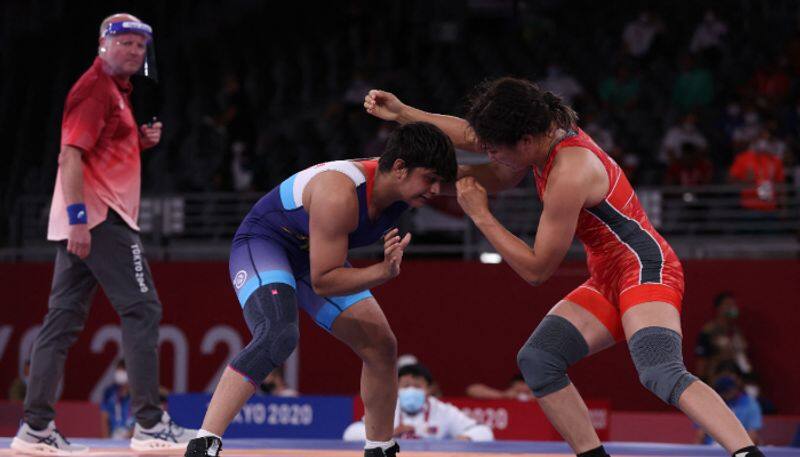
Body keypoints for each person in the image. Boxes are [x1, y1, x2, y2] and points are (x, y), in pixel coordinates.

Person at [364, 77, 766, 457]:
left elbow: (537, 270)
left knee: (659, 369)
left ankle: (747, 452)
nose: (489, 155)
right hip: (609, 274)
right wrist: (403, 113)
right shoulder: (540, 130)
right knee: (539, 360)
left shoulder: (569, 172)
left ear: (525, 141)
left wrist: (482, 216)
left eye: (495, 149)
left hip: (644, 268)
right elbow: (473, 135)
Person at [183, 122, 457, 457]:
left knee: (382, 345)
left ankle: (380, 448)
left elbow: (486, 178)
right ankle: (204, 442)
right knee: (278, 333)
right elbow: (324, 281)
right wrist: (382, 272)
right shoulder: (338, 193)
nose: (435, 190)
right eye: (430, 179)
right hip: (266, 244)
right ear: (400, 168)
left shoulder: (409, 181)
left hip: (313, 254)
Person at [10, 13, 196, 456]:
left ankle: (35, 429)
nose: (133, 51)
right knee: (143, 309)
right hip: (99, 219)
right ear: (102, 45)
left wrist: (139, 143)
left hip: (89, 219)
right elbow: (70, 157)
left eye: (139, 46)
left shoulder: (117, 93)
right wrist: (78, 218)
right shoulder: (94, 90)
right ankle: (151, 424)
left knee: (61, 323)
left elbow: (100, 152)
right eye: (124, 43)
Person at [343, 364, 494, 441]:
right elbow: (350, 434)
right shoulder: (387, 407)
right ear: (396, 387)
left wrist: (464, 439)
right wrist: (385, 434)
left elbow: (485, 432)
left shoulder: (442, 410)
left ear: (428, 389)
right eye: (406, 386)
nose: (411, 390)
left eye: (417, 386)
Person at [695, 374, 763, 446]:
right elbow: (700, 435)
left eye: (727, 391)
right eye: (722, 391)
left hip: (739, 448)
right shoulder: (711, 402)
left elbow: (753, 436)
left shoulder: (750, 404)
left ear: (735, 388)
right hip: (712, 449)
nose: (725, 394)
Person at [100, 360, 135, 439]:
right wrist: (105, 440)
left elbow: (139, 419)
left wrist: (130, 435)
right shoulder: (109, 392)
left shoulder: (137, 394)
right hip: (113, 437)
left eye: (122, 370)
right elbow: (104, 418)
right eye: (118, 370)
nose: (119, 374)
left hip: (133, 438)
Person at [466, 373, 534, 401]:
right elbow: (471, 390)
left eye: (527, 391)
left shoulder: (540, 398)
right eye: (518, 391)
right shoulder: (504, 396)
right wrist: (503, 395)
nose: (523, 389)